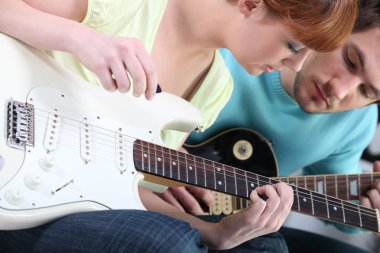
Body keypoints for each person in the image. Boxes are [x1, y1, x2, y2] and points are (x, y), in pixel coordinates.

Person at [0, 0, 358, 252]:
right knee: (170, 245)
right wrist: (79, 38)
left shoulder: (215, 87)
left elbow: (121, 188)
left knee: (264, 247)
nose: (295, 66)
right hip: (12, 181)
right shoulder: (130, 5)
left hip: (55, 204)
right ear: (250, 3)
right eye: (293, 46)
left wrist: (216, 232)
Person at [157, 1, 380, 252]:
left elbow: (338, 199)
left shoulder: (357, 123)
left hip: (235, 217)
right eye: (350, 60)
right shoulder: (237, 36)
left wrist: (369, 209)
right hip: (148, 179)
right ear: (332, 29)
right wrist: (161, 153)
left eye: (366, 91)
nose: (339, 90)